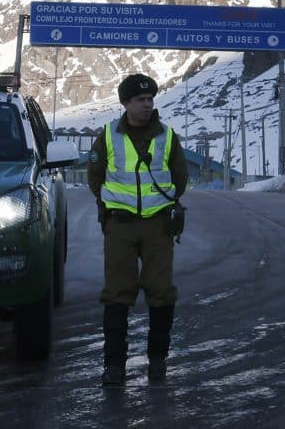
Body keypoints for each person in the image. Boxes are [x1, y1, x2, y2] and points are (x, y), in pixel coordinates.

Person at [87, 73, 189, 386]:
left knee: (161, 292)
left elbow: (180, 177)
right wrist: (114, 205)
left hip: (158, 226)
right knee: (117, 293)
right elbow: (95, 176)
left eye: (150, 100)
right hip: (120, 225)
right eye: (140, 100)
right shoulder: (107, 136)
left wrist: (164, 204)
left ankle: (158, 362)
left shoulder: (167, 136)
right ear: (125, 103)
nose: (147, 105)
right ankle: (114, 366)